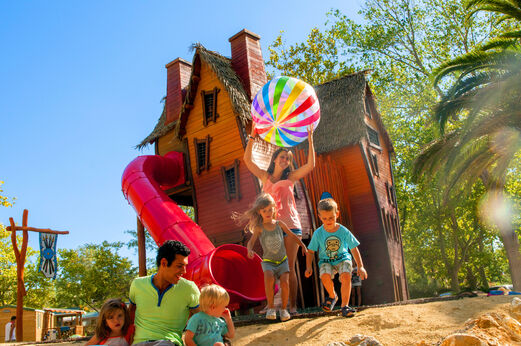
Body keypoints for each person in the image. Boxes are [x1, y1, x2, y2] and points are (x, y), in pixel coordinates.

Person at [243, 124, 315, 314]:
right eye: (282, 157)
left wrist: (310, 140)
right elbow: (247, 160)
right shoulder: (264, 176)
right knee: (272, 265)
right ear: (274, 159)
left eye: (288, 158)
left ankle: (292, 306)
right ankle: (273, 305)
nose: (285, 160)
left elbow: (310, 166)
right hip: (269, 227)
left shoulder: (291, 177)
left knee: (288, 268)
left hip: (290, 224)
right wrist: (252, 135)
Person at [238, 193, 307, 321]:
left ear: (274, 208)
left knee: (285, 283)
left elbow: (291, 235)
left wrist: (302, 245)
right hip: (269, 261)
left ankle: (284, 309)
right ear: (260, 212)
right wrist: (249, 249)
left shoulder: (279, 224)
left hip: (282, 261)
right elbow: (251, 242)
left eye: (270, 209)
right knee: (269, 278)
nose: (268, 212)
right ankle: (271, 308)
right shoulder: (259, 228)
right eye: (265, 210)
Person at [129, 240, 200, 346]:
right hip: (139, 343)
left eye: (185, 266)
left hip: (168, 342)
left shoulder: (189, 288)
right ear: (164, 263)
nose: (184, 271)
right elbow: (130, 315)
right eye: (180, 266)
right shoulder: (137, 284)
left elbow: (204, 318)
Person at [305, 198, 367, 317]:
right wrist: (308, 267)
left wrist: (360, 266)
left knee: (345, 276)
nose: (328, 221)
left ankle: (345, 306)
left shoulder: (343, 231)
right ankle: (333, 296)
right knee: (324, 276)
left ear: (337, 214)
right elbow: (311, 251)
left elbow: (354, 248)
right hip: (326, 261)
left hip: (343, 259)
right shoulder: (318, 233)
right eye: (324, 218)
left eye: (331, 218)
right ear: (319, 217)